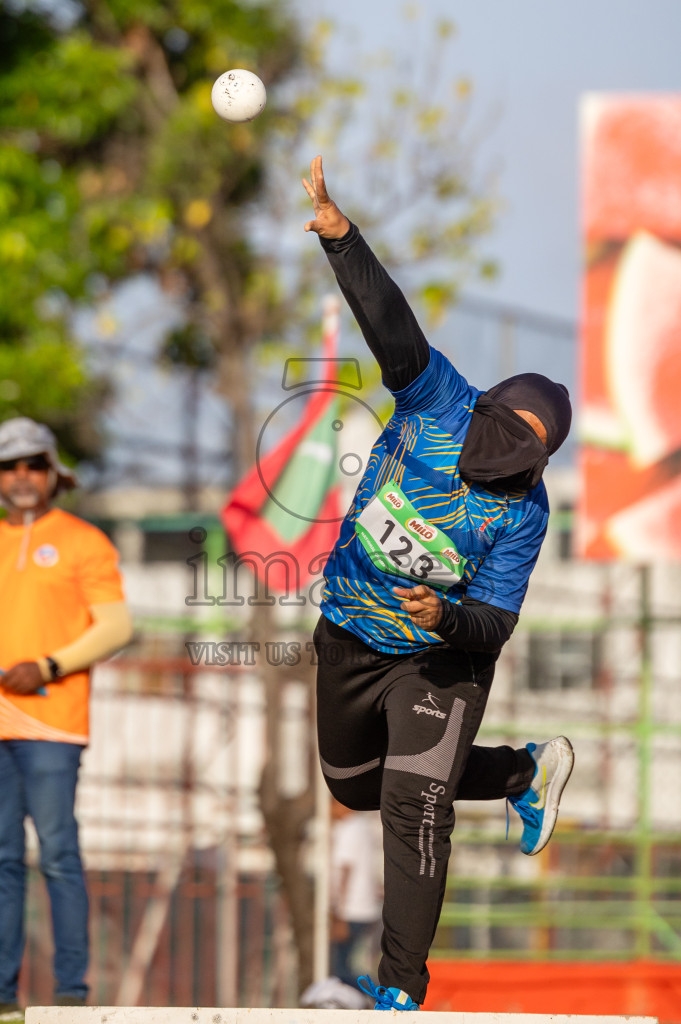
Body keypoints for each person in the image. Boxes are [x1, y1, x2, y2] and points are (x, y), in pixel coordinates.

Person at [302, 156, 575, 1011]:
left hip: (438, 663)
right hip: (349, 630)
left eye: (526, 455)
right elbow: (392, 327)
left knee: (413, 807)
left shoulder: (522, 515)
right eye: (504, 436)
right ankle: (520, 774)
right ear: (484, 406)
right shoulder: (437, 403)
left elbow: (495, 623)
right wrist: (344, 241)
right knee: (352, 787)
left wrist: (446, 616)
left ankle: (399, 990)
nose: (504, 461)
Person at [0, 418, 134, 1017]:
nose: (21, 476)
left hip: (53, 727)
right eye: (10, 466)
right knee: (2, 859)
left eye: (32, 464)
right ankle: (3, 995)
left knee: (56, 853)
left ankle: (71, 995)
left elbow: (117, 626)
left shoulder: (83, 541)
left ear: (54, 472)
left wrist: (48, 666)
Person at [329, 799, 382, 990]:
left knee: (340, 968)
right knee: (354, 963)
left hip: (351, 909)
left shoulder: (349, 829)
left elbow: (345, 870)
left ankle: (379, 994)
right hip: (367, 907)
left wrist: (338, 913)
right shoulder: (364, 827)